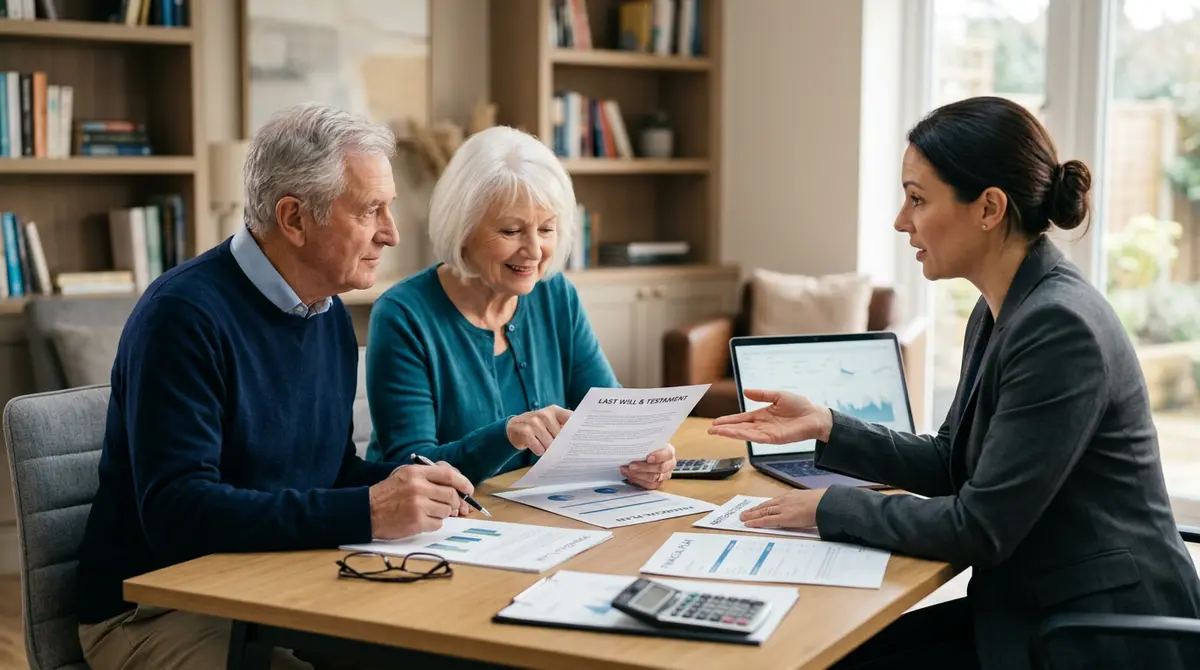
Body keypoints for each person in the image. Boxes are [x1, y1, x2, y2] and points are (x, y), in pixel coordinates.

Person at [708, 96, 1200, 670]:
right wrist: (828, 424)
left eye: (918, 198)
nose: (900, 220)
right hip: (1036, 606)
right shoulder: (1001, 308)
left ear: (989, 208)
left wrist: (827, 509)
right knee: (829, 653)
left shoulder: (1057, 327)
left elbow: (980, 526)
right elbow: (952, 462)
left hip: (1100, 635)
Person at [74, 103, 477, 670]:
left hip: (278, 581)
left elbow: (329, 470)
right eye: (371, 211)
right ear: (293, 219)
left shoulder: (327, 312)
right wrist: (367, 510)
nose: (391, 232)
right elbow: (177, 513)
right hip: (154, 608)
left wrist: (407, 486)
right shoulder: (182, 316)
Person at [364, 125, 675, 487]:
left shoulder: (555, 293)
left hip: (546, 516)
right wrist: (507, 435)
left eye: (546, 229)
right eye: (511, 231)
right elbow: (411, 465)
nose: (534, 251)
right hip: (448, 524)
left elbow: (608, 411)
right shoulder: (404, 315)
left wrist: (643, 453)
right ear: (461, 228)